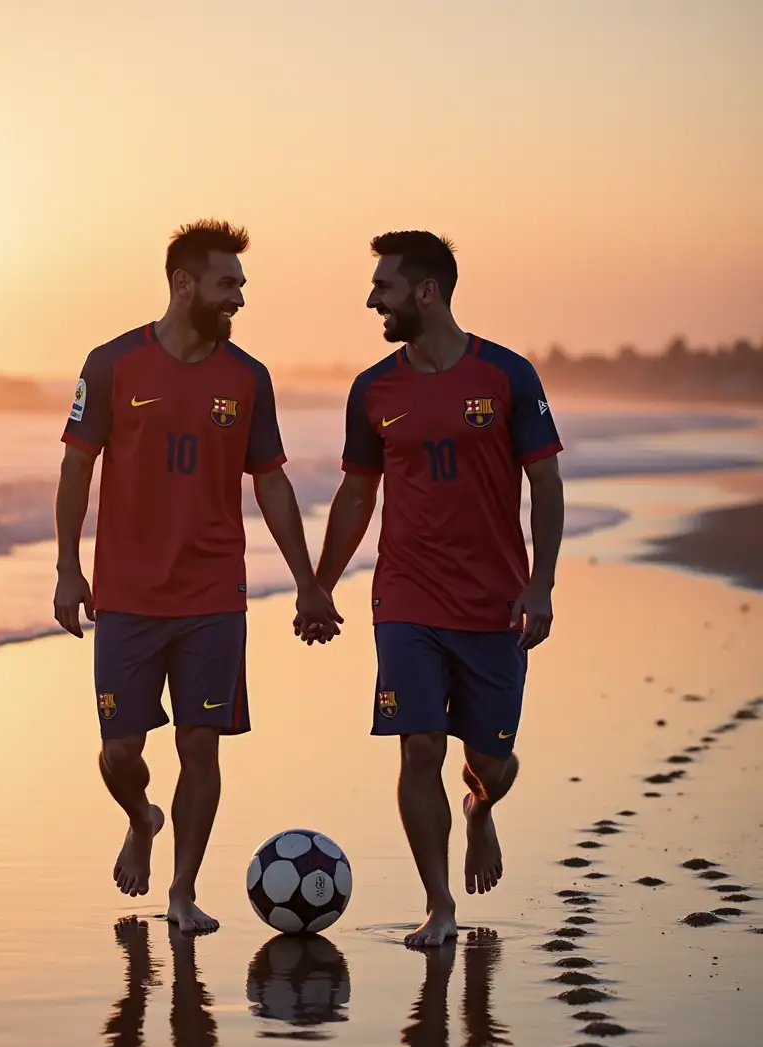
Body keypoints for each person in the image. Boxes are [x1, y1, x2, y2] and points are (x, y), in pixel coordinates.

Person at [54, 219, 339, 933]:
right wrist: (67, 568)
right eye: (227, 284)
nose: (239, 297)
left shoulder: (247, 379)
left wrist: (308, 581)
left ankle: (181, 891)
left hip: (214, 595)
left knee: (198, 744)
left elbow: (270, 483)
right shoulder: (112, 363)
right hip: (126, 595)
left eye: (241, 284)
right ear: (184, 285)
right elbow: (76, 466)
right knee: (121, 753)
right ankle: (141, 819)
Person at [302, 231, 564, 948]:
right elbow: (357, 497)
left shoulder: (507, 376)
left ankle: (481, 810)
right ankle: (439, 903)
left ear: (426, 290)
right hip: (407, 597)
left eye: (383, 286)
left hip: (494, 600)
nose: (371, 299)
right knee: (419, 747)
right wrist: (318, 586)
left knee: (491, 762)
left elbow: (544, 482)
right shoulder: (373, 389)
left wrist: (539, 585)